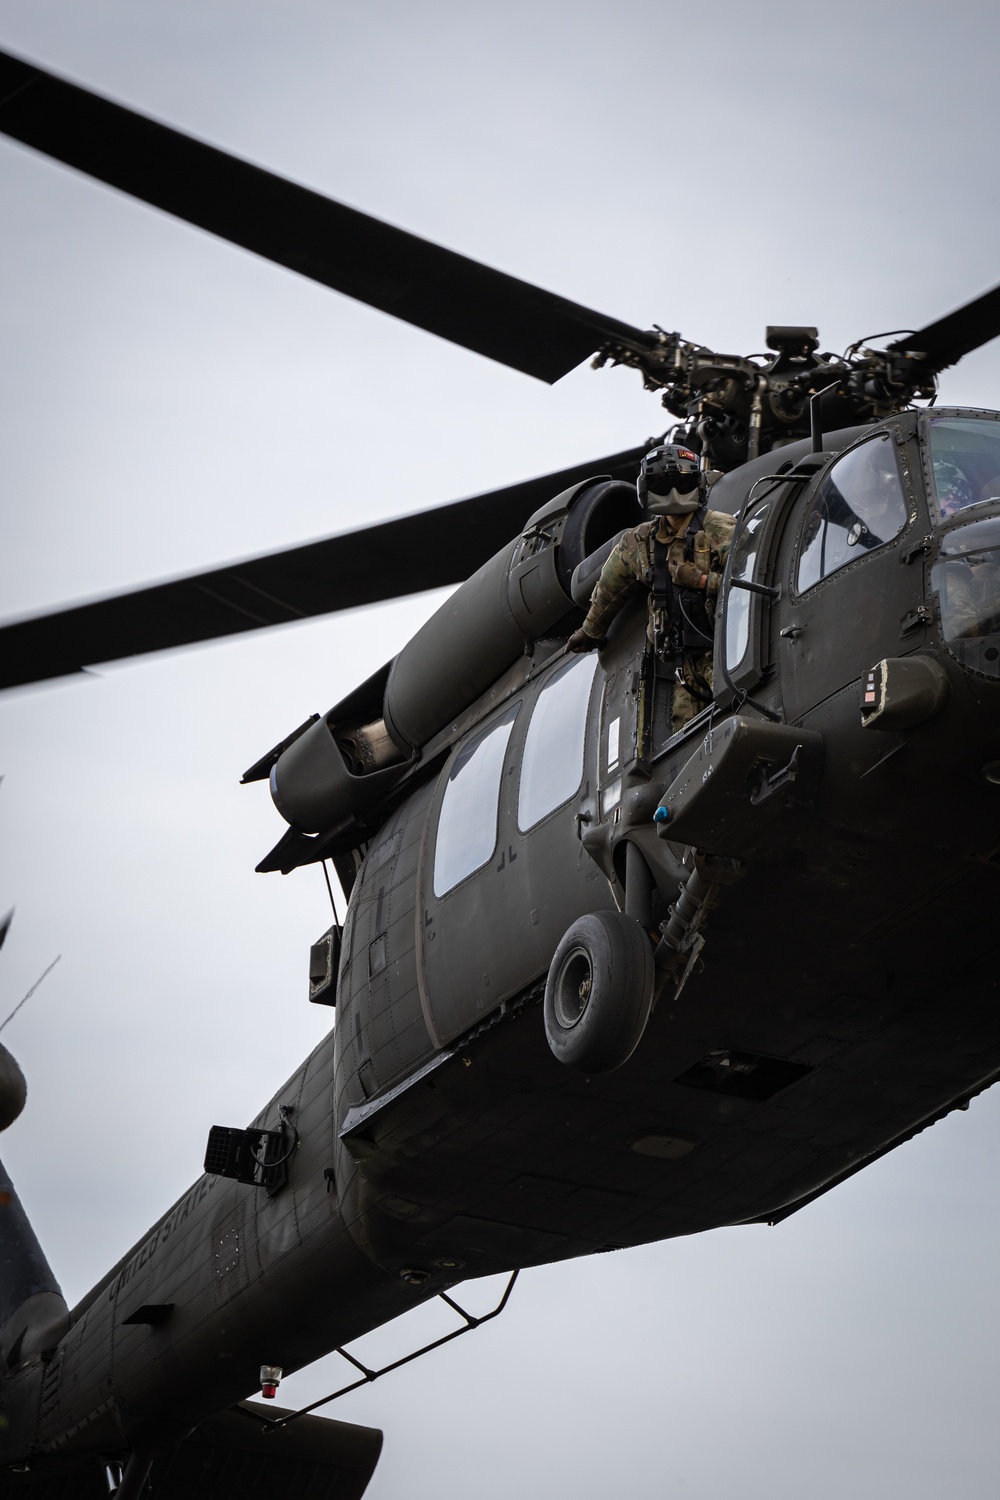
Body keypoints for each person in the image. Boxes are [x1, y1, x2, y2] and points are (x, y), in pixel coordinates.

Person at [567, 444, 735, 730]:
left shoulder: (720, 528)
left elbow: (746, 584)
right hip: (682, 661)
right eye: (663, 485)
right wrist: (590, 631)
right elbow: (609, 589)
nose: (672, 494)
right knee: (688, 736)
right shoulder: (640, 543)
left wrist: (702, 580)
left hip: (722, 651)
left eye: (680, 484)